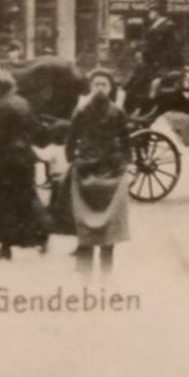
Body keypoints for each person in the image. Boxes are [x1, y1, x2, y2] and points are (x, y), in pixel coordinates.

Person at [64, 70, 133, 273]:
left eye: (104, 84)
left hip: (111, 174)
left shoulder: (118, 113)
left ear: (110, 89)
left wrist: (124, 164)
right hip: (85, 173)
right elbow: (70, 139)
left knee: (108, 231)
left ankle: (106, 278)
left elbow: (126, 141)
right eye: (96, 84)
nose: (100, 88)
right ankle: (84, 278)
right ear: (90, 88)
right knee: (85, 229)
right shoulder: (82, 112)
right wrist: (74, 161)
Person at [0, 72, 51, 259]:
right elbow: (34, 128)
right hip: (24, 156)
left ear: (0, 87)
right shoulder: (22, 102)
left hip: (8, 159)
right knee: (27, 197)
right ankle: (41, 235)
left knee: (4, 201)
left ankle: (6, 247)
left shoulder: (0, 105)